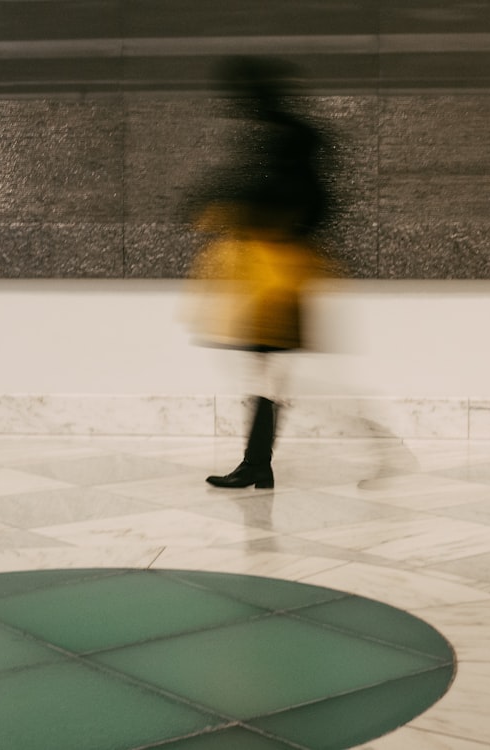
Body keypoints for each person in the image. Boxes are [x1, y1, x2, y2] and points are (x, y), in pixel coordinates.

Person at [185, 56, 337, 489]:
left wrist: (230, 206)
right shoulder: (297, 140)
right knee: (265, 370)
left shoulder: (287, 142)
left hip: (276, 276)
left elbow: (280, 196)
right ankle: (257, 463)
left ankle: (257, 462)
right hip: (281, 272)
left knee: (265, 371)